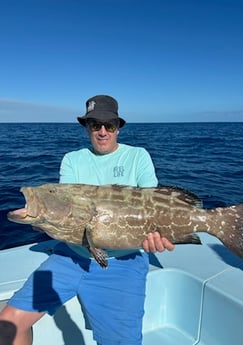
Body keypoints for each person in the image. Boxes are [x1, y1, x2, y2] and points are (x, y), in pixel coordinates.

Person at [0, 95, 174, 345]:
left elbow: (153, 205)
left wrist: (158, 237)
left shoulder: (138, 156)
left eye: (109, 125)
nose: (102, 131)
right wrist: (39, 217)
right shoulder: (72, 159)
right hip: (69, 256)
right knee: (8, 326)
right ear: (86, 127)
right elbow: (68, 214)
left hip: (123, 263)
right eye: (95, 125)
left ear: (118, 127)